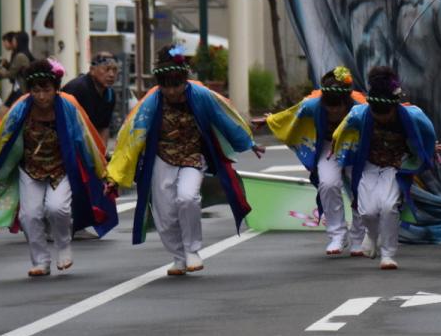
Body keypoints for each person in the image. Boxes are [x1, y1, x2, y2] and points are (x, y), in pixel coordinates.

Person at [107, 45, 260, 276]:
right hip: (162, 158)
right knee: (165, 213)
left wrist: (248, 142)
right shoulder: (151, 102)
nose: (171, 91)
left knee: (187, 198)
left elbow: (225, 117)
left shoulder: (201, 95)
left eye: (176, 84)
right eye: (165, 85)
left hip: (193, 157)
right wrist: (115, 175)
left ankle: (192, 250)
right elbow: (131, 138)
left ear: (184, 79)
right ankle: (178, 257)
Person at [0, 59, 116, 276]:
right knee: (29, 215)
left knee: (57, 208)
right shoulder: (20, 109)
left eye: (46, 90)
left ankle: (63, 246)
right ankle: (41, 261)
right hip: (30, 169)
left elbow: (86, 139)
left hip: (61, 169)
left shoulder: (69, 107)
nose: (41, 96)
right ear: (29, 90)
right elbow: (1, 139)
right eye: (36, 90)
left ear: (56, 88)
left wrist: (102, 170)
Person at [332, 66, 440, 270]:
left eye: (386, 113)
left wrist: (430, 148)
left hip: (395, 166)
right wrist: (338, 151)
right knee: (367, 211)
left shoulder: (413, 116)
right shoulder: (359, 114)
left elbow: (428, 134)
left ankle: (388, 254)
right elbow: (340, 133)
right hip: (368, 165)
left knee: (389, 207)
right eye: (376, 112)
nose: (381, 117)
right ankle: (371, 236)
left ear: (394, 107)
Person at [259, 66, 368, 256]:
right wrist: (271, 120)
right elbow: (290, 116)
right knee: (327, 183)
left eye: (338, 106)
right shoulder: (312, 105)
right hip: (328, 146)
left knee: (362, 188)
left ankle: (359, 236)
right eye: (329, 106)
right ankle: (337, 235)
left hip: (355, 146)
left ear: (346, 102)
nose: (333, 111)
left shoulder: (361, 108)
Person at [62, 52, 120, 143]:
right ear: (92, 70)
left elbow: (104, 127)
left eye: (114, 70)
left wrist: (101, 154)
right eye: (107, 69)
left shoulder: (110, 95)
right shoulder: (77, 89)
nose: (111, 74)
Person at [0, 31, 34, 106]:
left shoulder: (20, 56)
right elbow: (14, 69)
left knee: (8, 111)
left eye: (14, 40)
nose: (13, 42)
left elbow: (11, 73)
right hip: (18, 88)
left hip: (20, 89)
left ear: (19, 41)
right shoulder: (21, 54)